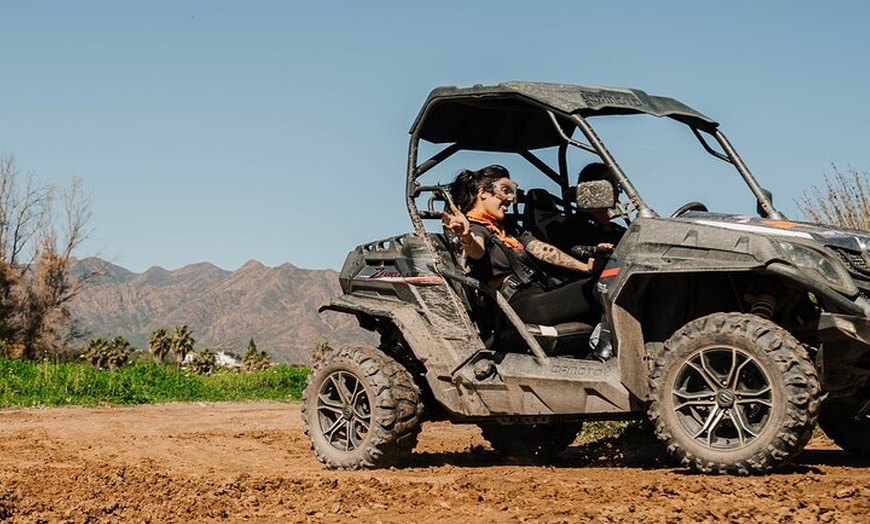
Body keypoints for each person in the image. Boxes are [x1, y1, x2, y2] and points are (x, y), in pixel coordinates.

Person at [440, 164, 612, 333]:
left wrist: (585, 267)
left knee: (610, 281)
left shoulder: (508, 227)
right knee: (601, 289)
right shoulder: (476, 228)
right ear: (483, 192)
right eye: (505, 190)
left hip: (539, 291)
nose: (511, 199)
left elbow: (541, 249)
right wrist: (466, 237)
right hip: (517, 305)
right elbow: (477, 251)